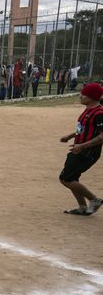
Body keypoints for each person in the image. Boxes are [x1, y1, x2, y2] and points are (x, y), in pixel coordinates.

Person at [58, 83, 103, 216]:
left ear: (92, 97)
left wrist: (82, 146)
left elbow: (102, 136)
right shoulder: (88, 110)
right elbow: (82, 128)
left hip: (87, 152)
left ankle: (94, 200)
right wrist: (70, 136)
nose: (81, 96)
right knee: (70, 178)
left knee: (66, 179)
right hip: (79, 149)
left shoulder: (99, 113)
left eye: (84, 94)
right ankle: (82, 207)